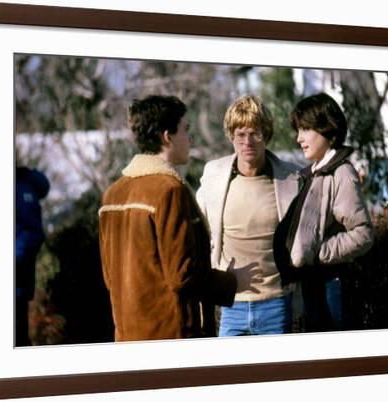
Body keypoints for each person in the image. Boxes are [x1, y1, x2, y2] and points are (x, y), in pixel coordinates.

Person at [98, 95, 237, 342]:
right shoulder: (169, 190)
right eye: (185, 129)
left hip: (127, 335)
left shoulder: (112, 194)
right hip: (172, 335)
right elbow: (182, 275)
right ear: (167, 136)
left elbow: (110, 278)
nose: (190, 138)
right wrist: (230, 282)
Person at [196, 95, 301, 336]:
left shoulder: (292, 178)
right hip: (231, 304)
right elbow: (196, 230)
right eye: (240, 134)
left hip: (276, 302)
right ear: (231, 136)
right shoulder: (214, 176)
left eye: (255, 133)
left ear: (267, 134)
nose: (247, 142)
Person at [274, 92, 374, 332]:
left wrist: (319, 252)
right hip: (313, 282)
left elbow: (363, 234)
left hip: (331, 284)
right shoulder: (314, 172)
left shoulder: (341, 173)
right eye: (297, 130)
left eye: (305, 129)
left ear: (327, 128)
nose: (299, 138)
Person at [15, 166, 50, 346]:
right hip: (17, 283)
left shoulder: (22, 191)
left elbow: (30, 234)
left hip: (16, 284)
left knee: (17, 338)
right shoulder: (21, 188)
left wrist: (13, 262)